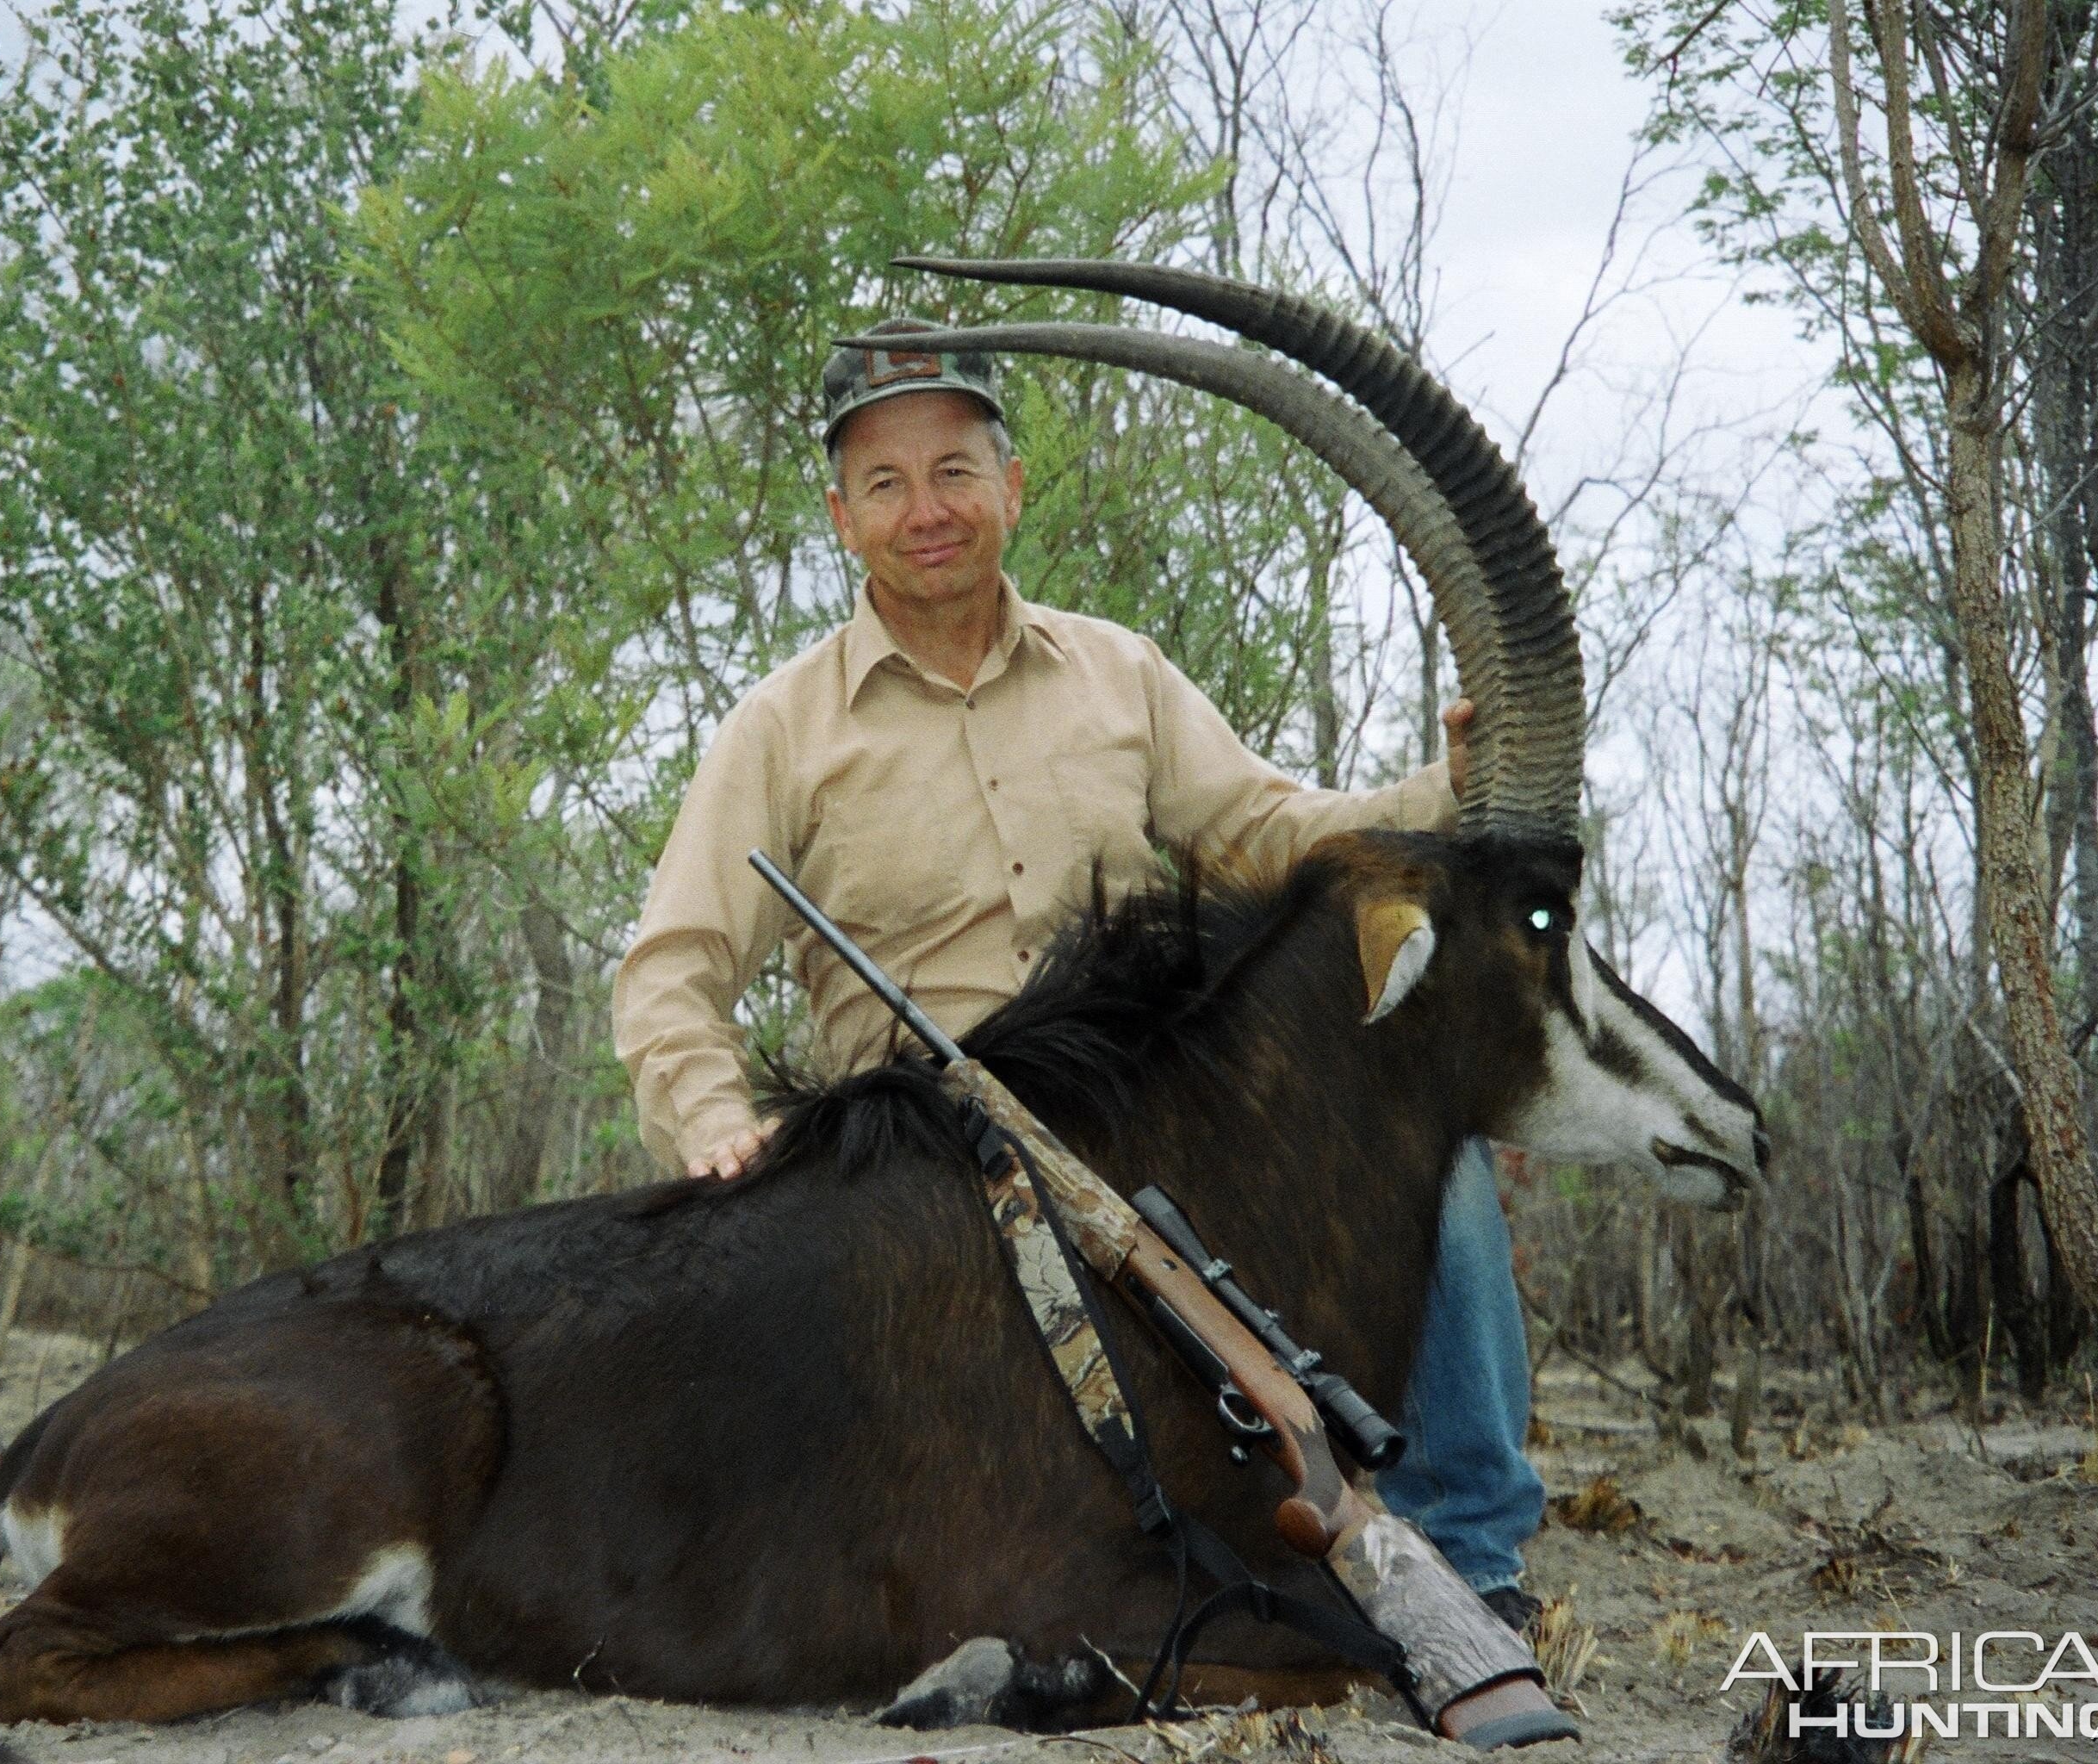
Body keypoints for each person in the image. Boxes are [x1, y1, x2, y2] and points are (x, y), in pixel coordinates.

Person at [611, 320, 1546, 1629]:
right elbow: (673, 966)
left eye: (953, 472)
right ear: (839, 517)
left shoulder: (1118, 670)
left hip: (1152, 1132)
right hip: (927, 1167)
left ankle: (1475, 1559)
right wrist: (711, 1118)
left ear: (1012, 488)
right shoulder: (779, 726)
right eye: (883, 484)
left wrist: (1445, 787)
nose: (923, 511)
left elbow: (1268, 835)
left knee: (1426, 1146)